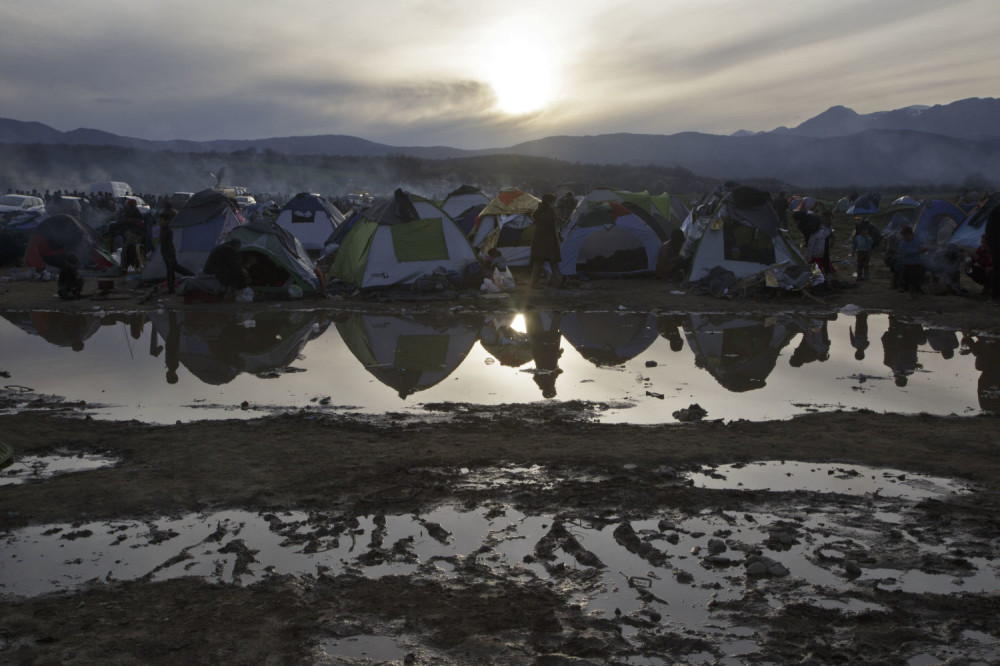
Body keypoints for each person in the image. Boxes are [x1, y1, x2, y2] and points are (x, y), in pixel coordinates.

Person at [529, 193, 563, 289]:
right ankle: (558, 282)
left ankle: (534, 284)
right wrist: (558, 236)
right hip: (549, 240)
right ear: (550, 202)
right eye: (553, 201)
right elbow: (554, 226)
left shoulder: (538, 212)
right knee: (552, 262)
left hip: (540, 241)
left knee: (539, 263)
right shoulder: (550, 212)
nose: (554, 203)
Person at [897, 225, 927, 300]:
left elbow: (919, 247)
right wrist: (919, 251)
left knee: (914, 279)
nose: (906, 237)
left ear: (911, 234)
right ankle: (910, 292)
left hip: (916, 263)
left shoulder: (916, 240)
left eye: (907, 235)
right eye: (904, 236)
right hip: (907, 264)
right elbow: (909, 252)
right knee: (907, 278)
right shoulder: (903, 244)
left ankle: (912, 293)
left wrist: (922, 249)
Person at [158, 207, 178, 293]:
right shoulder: (162, 230)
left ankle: (171, 288)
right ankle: (170, 287)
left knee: (171, 271)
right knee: (172, 269)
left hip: (169, 253)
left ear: (166, 221)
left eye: (161, 220)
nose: (160, 222)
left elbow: (168, 244)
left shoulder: (168, 231)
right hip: (165, 253)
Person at [986, 207, 1000, 301]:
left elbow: (988, 231)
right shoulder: (997, 211)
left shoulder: (995, 210)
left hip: (995, 244)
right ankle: (996, 295)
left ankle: (995, 295)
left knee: (997, 271)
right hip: (997, 245)